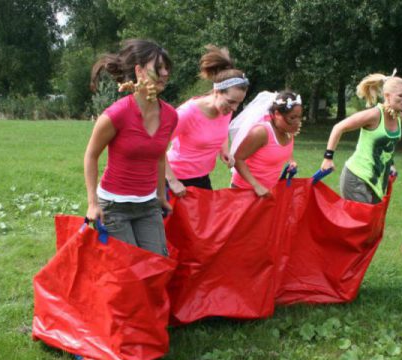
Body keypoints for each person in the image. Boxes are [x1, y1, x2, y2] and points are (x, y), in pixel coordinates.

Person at [83, 39, 178, 256]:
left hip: (148, 204)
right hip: (114, 207)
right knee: (128, 271)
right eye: (158, 67)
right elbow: (91, 155)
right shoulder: (116, 114)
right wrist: (92, 203)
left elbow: (160, 157)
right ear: (139, 71)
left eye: (167, 68)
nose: (165, 73)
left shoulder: (171, 116)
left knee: (157, 265)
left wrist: (161, 196)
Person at [166, 45, 249, 196]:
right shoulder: (187, 113)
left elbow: (222, 131)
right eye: (231, 102)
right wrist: (172, 181)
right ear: (217, 91)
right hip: (177, 179)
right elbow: (157, 146)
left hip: (202, 178)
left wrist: (223, 150)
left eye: (238, 103)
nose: (234, 108)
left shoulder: (225, 110)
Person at [320, 71, 402, 204]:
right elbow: (338, 127)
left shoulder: (398, 117)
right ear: (387, 96)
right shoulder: (374, 115)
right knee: (361, 224)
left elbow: (387, 146)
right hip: (357, 178)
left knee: (372, 224)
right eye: (400, 95)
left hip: (376, 181)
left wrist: (391, 165)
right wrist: (328, 158)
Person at [230, 91, 302, 197]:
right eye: (292, 118)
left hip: (267, 191)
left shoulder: (288, 131)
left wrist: (291, 161)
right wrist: (256, 186)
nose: (297, 122)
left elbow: (283, 149)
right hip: (245, 191)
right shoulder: (261, 132)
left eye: (299, 117)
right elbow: (237, 159)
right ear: (277, 114)